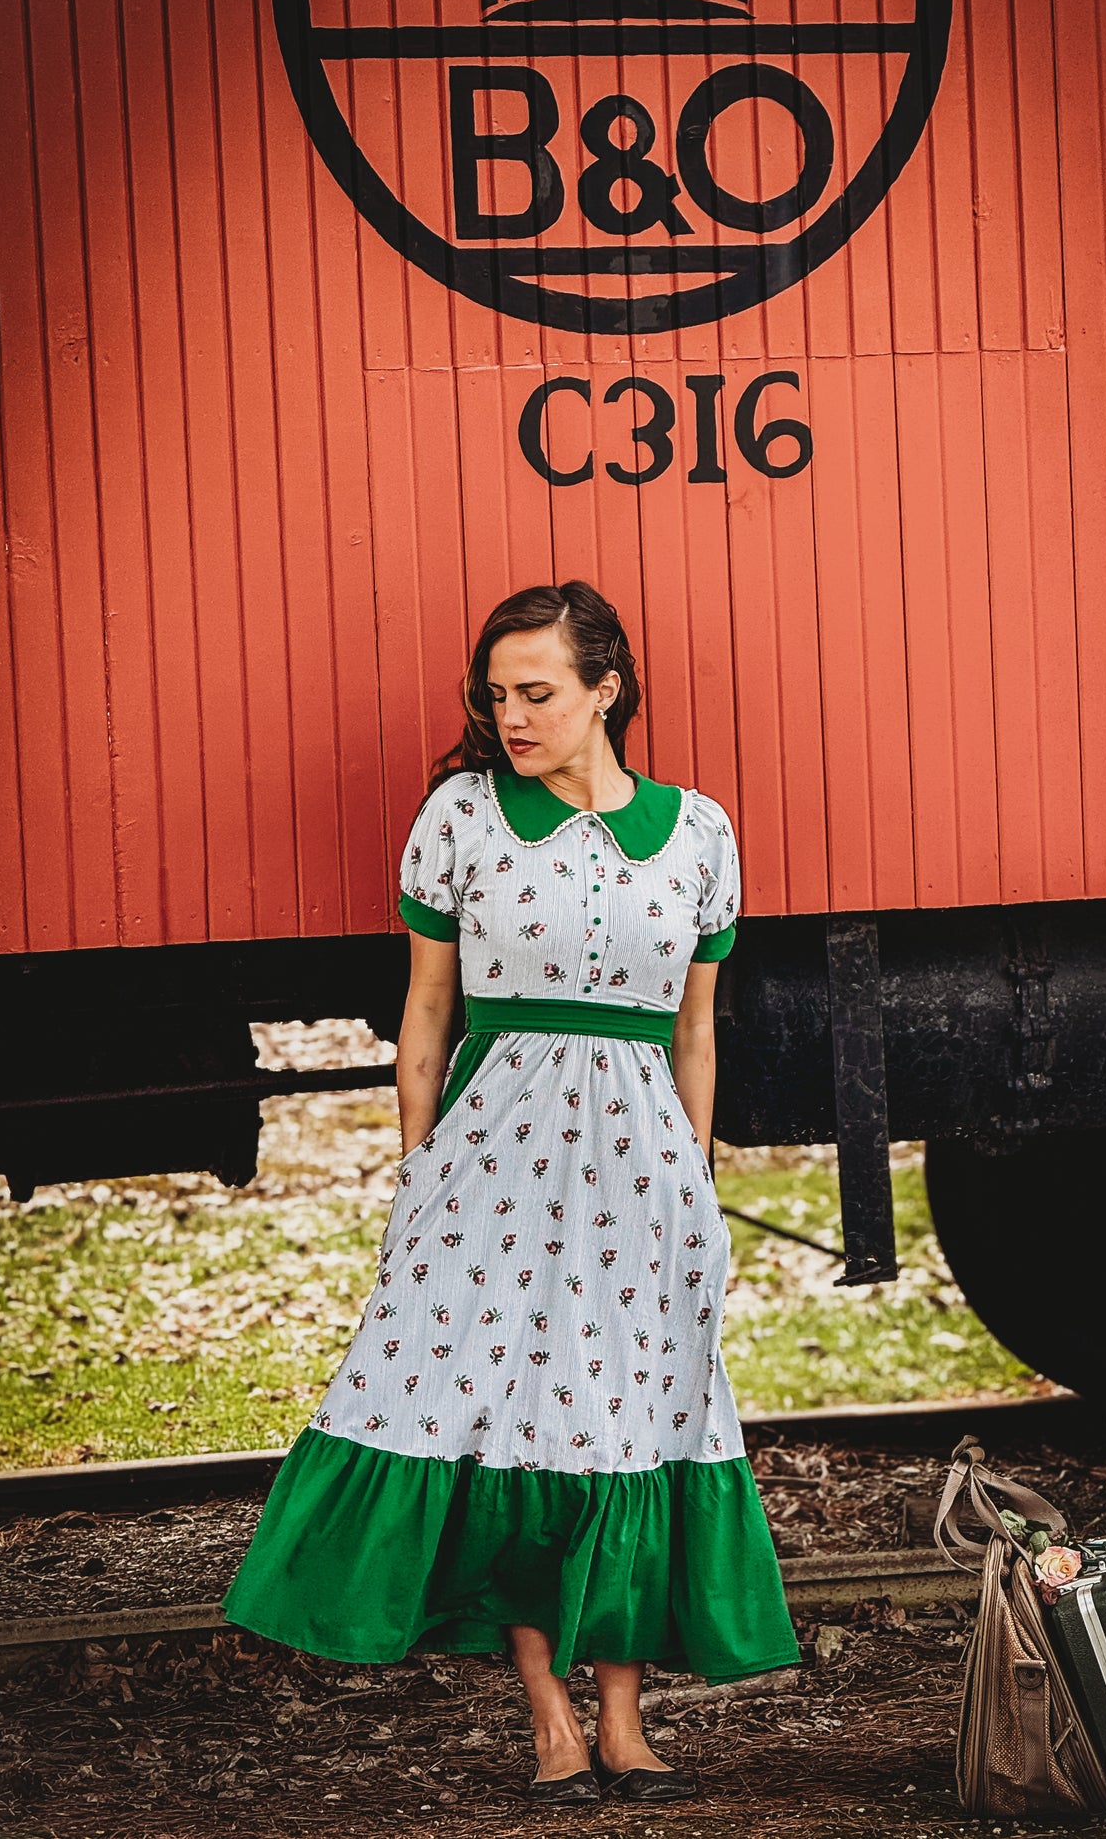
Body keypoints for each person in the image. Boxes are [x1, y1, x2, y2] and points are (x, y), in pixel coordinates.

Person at [223, 580, 800, 1804]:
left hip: (643, 1175)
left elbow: (694, 1033)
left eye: (536, 691)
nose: (510, 715)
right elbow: (426, 1010)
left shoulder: (698, 833)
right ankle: (548, 1715)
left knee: (634, 1425)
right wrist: (418, 1167)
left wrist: (693, 1185)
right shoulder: (461, 817)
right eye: (496, 694)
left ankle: (626, 1716)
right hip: (490, 1165)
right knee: (505, 1426)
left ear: (607, 688)